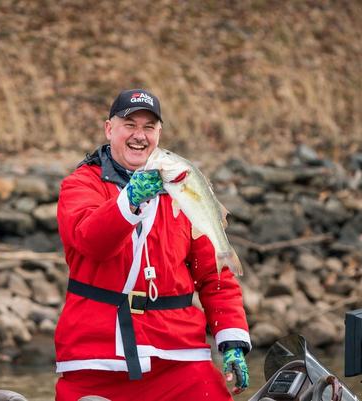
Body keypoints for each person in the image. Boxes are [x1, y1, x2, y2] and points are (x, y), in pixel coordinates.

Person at [54, 89, 251, 400]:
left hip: (179, 354)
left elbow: (215, 278)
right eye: (129, 125)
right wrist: (130, 200)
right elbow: (92, 242)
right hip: (96, 355)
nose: (139, 136)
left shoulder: (181, 187)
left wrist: (232, 341)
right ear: (109, 129)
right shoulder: (80, 184)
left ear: (159, 133)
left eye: (149, 127)